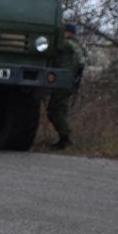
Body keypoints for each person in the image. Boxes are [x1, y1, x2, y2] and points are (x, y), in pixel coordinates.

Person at [47, 22, 86, 150]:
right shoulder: (78, 46)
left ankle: (65, 138)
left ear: (67, 32)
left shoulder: (66, 45)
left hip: (63, 81)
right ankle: (64, 138)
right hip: (70, 83)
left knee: (55, 111)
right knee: (60, 110)